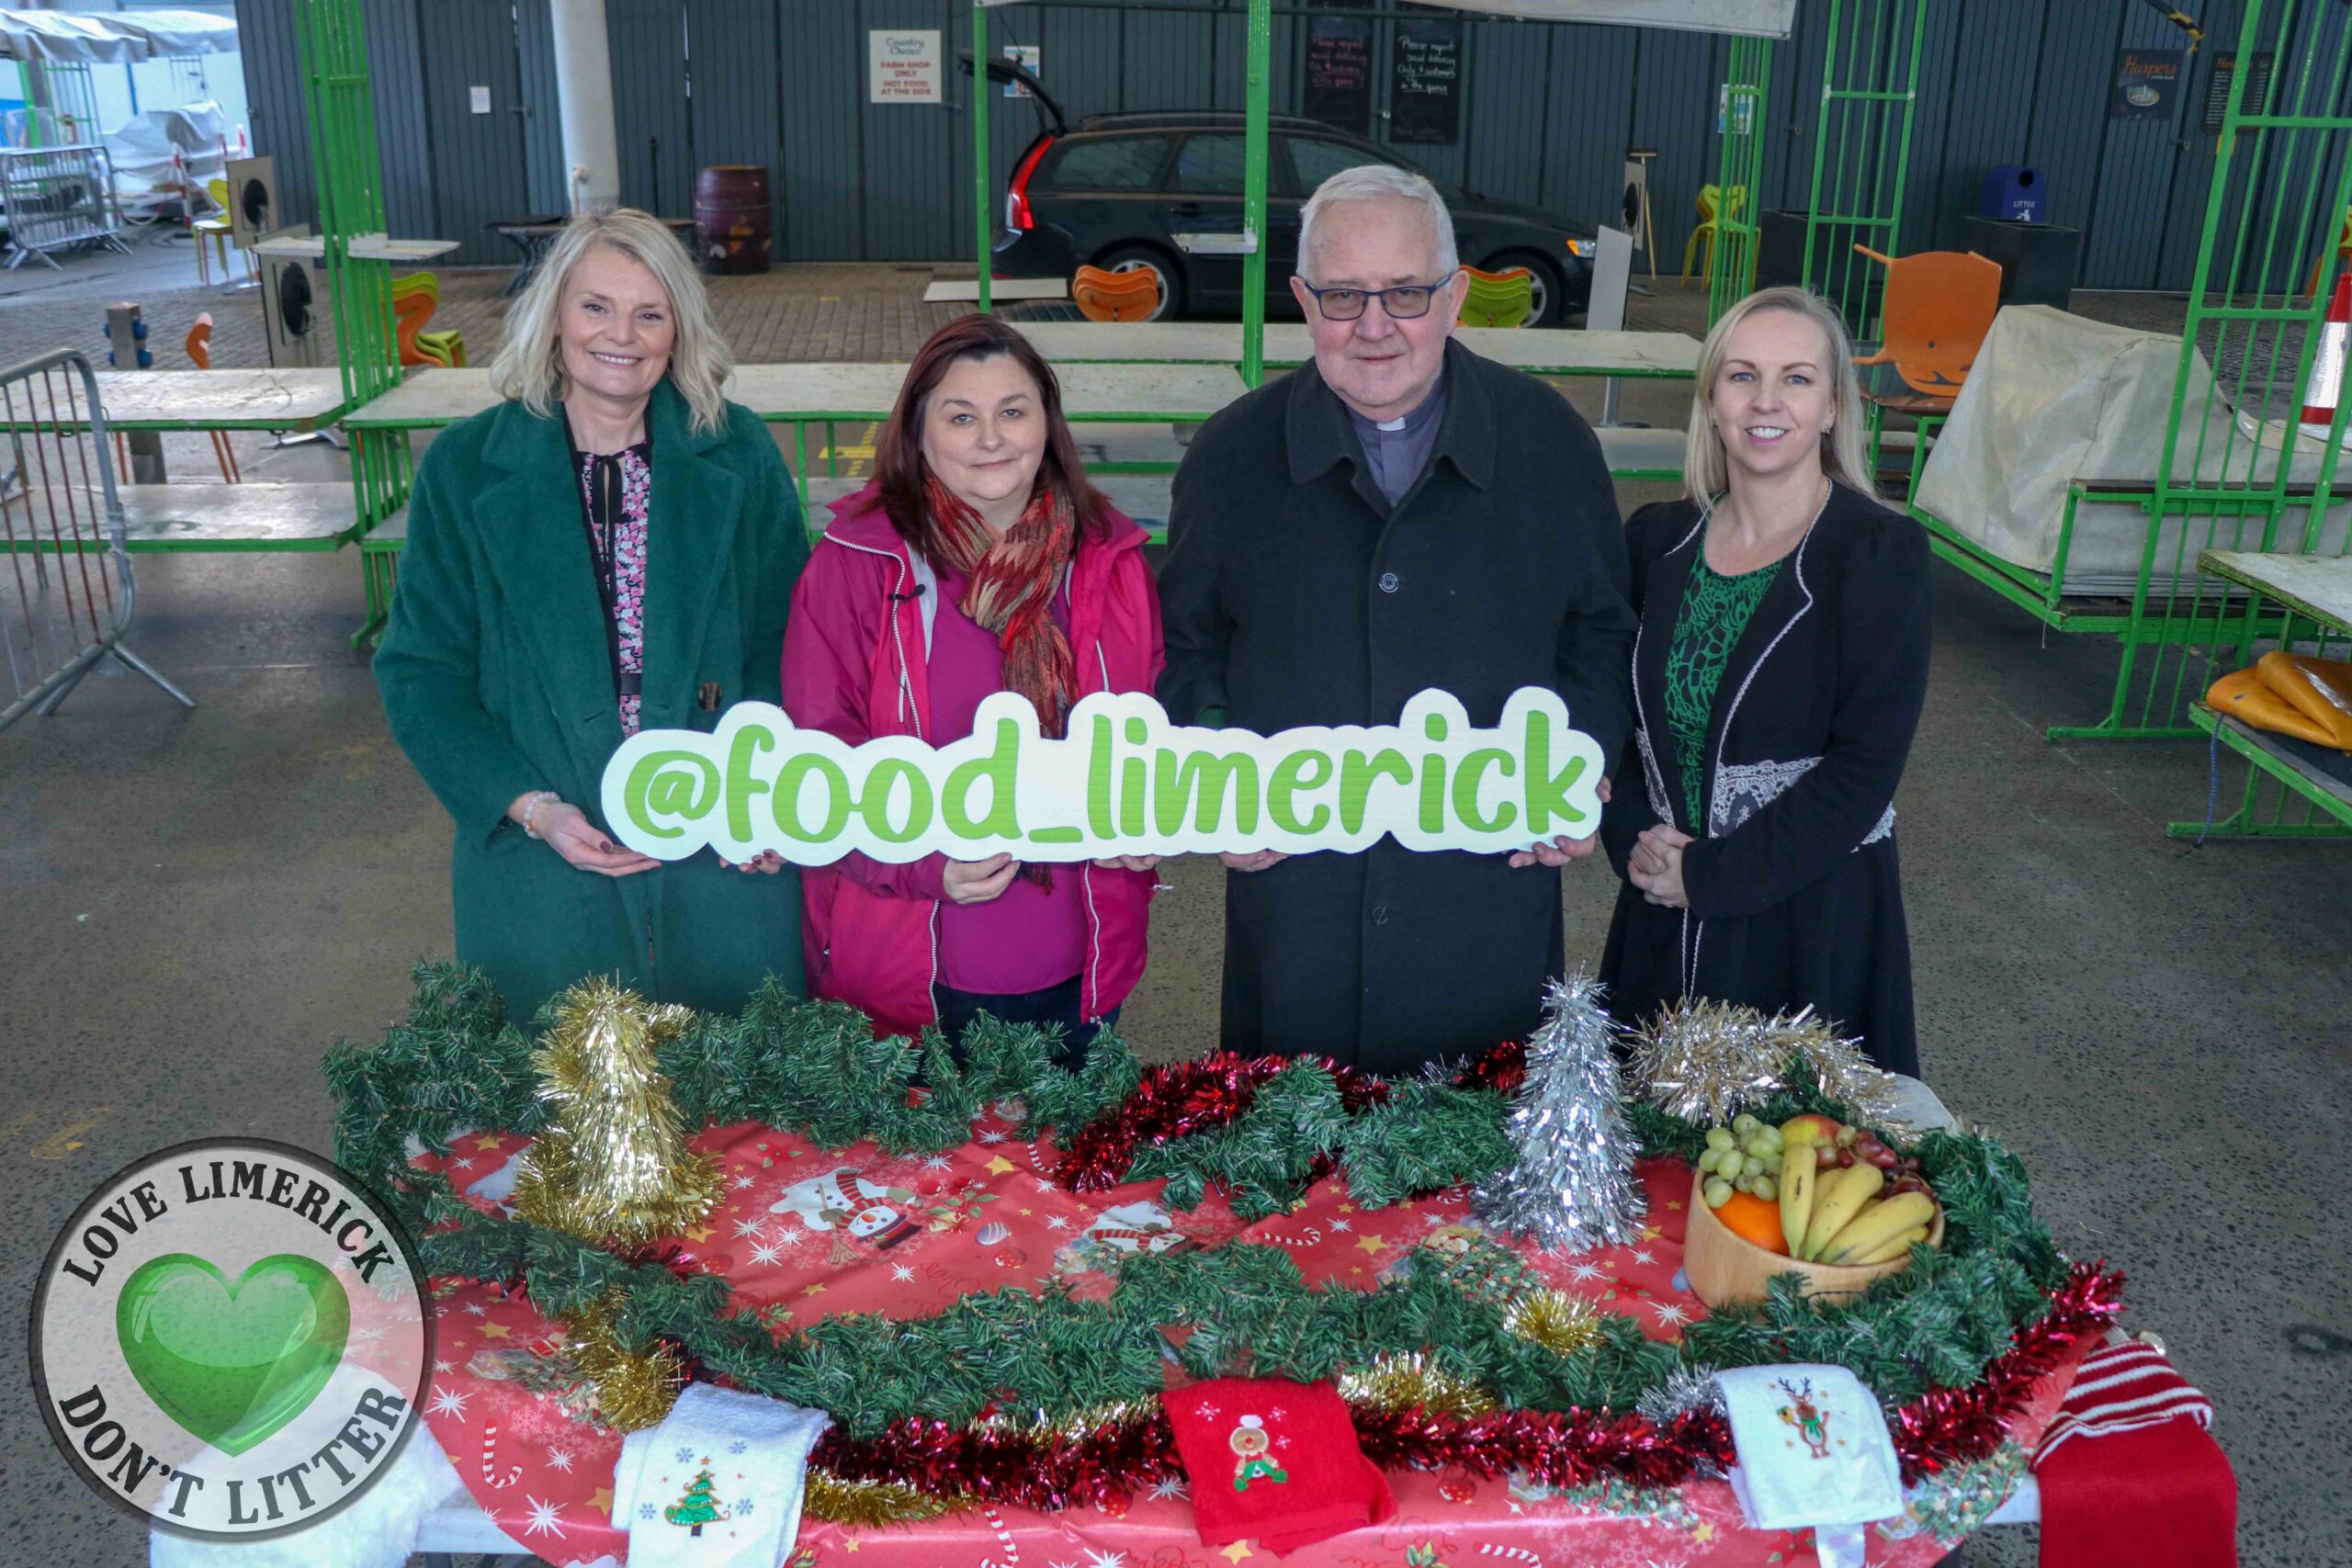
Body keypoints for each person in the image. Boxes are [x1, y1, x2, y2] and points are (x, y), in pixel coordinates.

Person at [1156, 164, 1637, 1074]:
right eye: (1342, 295)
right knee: (1290, 1177)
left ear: (1455, 296)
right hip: (1298, 905)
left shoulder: (1548, 443)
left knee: (1478, 1186)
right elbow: (1185, 648)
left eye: (1405, 293)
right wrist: (1213, 772)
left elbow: (1602, 631)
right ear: (1302, 300)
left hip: (1486, 892)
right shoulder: (1230, 458)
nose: (1373, 326)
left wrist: (1579, 762)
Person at [376, 208, 807, 1022]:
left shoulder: (740, 452)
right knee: (554, 1117)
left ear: (679, 332)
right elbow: (421, 673)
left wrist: (763, 797)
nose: (623, 334)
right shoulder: (467, 468)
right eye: (596, 307)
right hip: (540, 862)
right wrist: (530, 807)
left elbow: (786, 644)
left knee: (745, 1122)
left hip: (724, 855)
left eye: (651, 313)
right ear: (554, 320)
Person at [784, 314, 1163, 1051]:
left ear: (1046, 426)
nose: (991, 439)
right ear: (918, 433)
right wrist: (923, 862)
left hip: (1082, 976)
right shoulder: (858, 563)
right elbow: (816, 766)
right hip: (906, 980)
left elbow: (1145, 731)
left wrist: (1150, 820)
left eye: (1012, 412)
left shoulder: (1109, 558)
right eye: (962, 416)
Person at [1598, 286, 1931, 1077]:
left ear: (1831, 408)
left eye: (1797, 378)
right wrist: (1631, 837)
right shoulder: (1655, 540)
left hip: (1806, 924)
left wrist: (1710, 876)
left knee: (1792, 1175)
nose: (1766, 400)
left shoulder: (1879, 554)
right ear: (1711, 400)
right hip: (1659, 912)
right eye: (1742, 376)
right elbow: (1610, 715)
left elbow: (1865, 770)